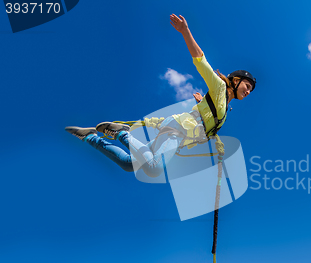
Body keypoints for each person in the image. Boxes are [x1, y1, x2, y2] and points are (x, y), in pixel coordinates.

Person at [65, 14, 256, 178]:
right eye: (247, 86)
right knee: (154, 169)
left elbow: (207, 122)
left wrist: (203, 107)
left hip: (178, 137)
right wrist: (185, 31)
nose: (247, 92)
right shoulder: (220, 87)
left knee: (128, 164)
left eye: (250, 91)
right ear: (235, 80)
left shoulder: (222, 105)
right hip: (176, 131)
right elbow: (201, 62)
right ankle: (121, 132)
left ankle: (90, 137)